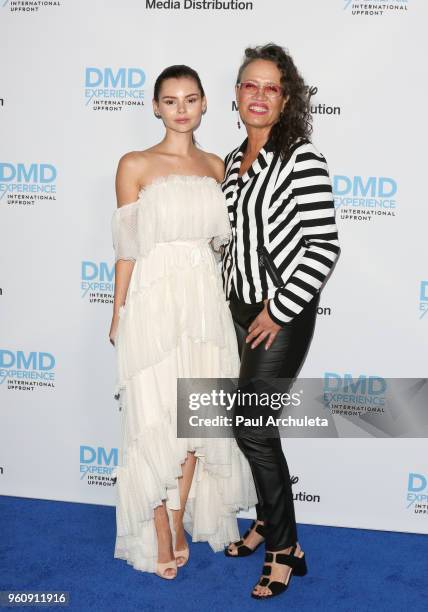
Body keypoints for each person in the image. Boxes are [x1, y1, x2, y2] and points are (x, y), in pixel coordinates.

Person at [109, 65, 256, 580]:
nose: (181, 108)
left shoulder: (218, 166)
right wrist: (117, 311)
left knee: (194, 418)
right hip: (153, 302)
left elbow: (229, 247)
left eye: (190, 99)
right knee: (152, 419)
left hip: (203, 302)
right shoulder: (135, 164)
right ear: (155, 106)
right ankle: (157, 529)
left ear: (204, 104)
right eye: (170, 100)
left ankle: (178, 514)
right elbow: (126, 249)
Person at [221, 44, 340, 599]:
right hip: (241, 308)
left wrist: (278, 308)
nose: (259, 95)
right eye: (251, 85)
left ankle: (284, 546)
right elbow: (233, 242)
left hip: (281, 311)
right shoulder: (230, 161)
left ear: (286, 97)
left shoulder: (301, 158)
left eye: (271, 87)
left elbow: (322, 246)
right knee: (250, 427)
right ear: (237, 94)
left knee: (253, 428)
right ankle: (269, 521)